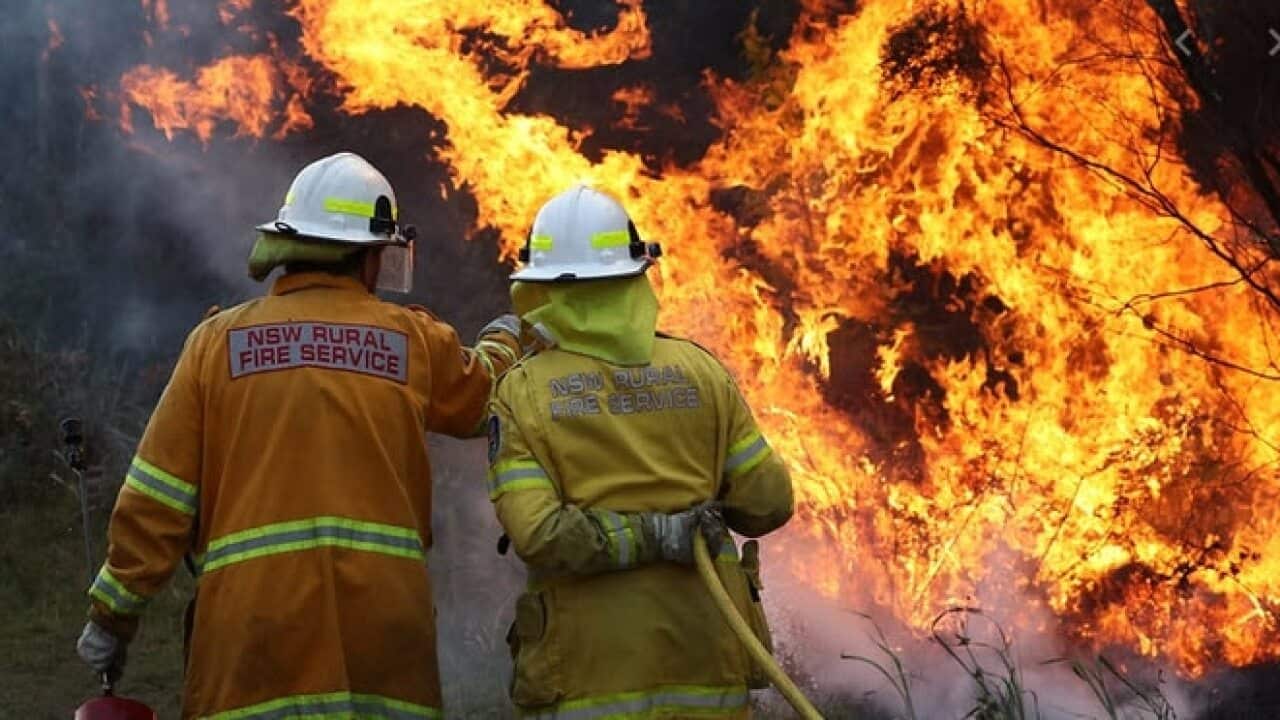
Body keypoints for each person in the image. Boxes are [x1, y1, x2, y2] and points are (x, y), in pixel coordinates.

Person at [76, 152, 524, 719]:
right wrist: (511, 333)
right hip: (381, 637)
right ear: (372, 256)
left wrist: (112, 615)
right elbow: (486, 394)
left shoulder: (216, 344)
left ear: (289, 245)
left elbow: (156, 500)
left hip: (251, 639)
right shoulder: (411, 341)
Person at [486, 185, 794, 719]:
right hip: (708, 668)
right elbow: (768, 504)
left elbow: (540, 535)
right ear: (637, 276)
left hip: (589, 681)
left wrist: (643, 536)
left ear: (539, 289)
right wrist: (678, 524)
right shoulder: (701, 371)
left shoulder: (523, 390)